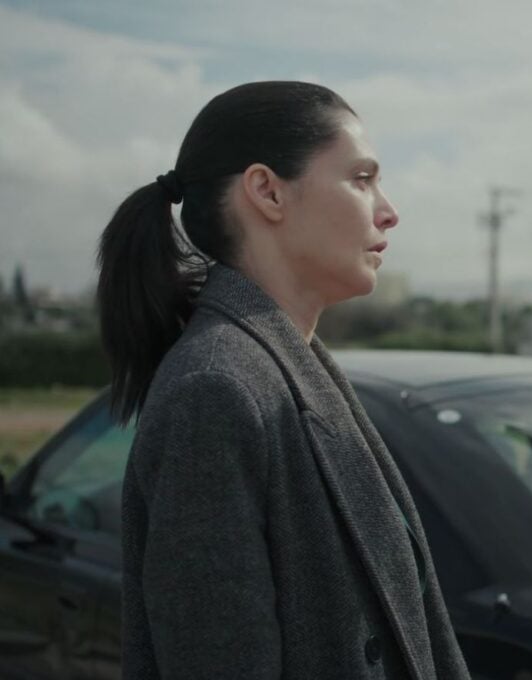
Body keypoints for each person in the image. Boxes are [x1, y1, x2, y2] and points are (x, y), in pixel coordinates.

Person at [97, 81, 470, 679]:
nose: (388, 210)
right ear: (268, 191)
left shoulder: (287, 362)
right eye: (361, 179)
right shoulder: (214, 390)